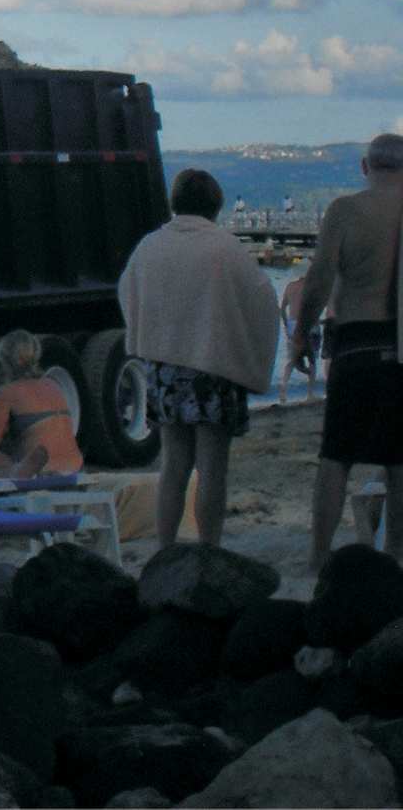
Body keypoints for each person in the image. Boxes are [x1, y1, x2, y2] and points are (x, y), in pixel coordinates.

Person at [119, 168, 281, 547]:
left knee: (173, 464)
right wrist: (250, 357)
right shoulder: (225, 248)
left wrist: (152, 337)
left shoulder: (150, 246)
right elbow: (262, 302)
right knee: (212, 467)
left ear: (175, 203)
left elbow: (128, 292)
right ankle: (209, 548)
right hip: (214, 367)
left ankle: (166, 547)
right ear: (216, 205)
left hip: (164, 367)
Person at [294, 132, 403, 572]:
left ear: (364, 167)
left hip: (356, 342)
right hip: (400, 343)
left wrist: (300, 333)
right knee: (399, 460)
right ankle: (395, 554)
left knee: (336, 455)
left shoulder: (346, 210)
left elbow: (319, 279)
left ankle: (319, 557)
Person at [0, 330, 82, 480]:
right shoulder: (52, 385)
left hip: (42, 468)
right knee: (15, 455)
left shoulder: (7, 392)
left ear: (5, 361)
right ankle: (26, 468)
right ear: (35, 355)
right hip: (74, 465)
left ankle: (17, 471)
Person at [279, 271, 322, 402]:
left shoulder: (290, 286)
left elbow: (282, 309)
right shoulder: (312, 287)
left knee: (291, 361)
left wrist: (286, 325)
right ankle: (310, 393)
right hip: (310, 324)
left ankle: (283, 390)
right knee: (312, 360)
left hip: (293, 325)